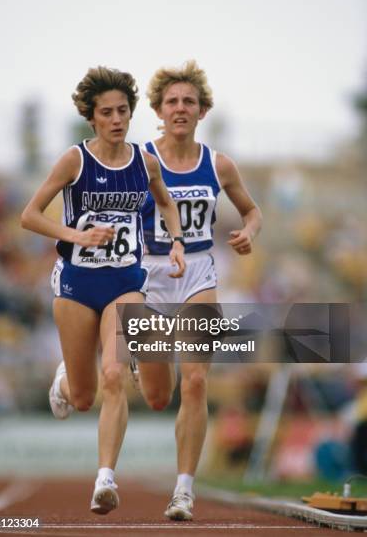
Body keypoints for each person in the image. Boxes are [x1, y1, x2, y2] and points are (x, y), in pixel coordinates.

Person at [20, 65, 185, 515]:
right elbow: (29, 215)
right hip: (76, 283)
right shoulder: (75, 160)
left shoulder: (145, 163)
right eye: (107, 113)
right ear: (91, 118)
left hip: (125, 283)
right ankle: (65, 378)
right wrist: (76, 236)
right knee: (83, 396)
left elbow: (167, 203)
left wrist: (174, 241)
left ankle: (105, 479)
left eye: (123, 111)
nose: (117, 120)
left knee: (115, 375)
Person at [138, 60, 262, 521]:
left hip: (198, 273)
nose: (180, 108)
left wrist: (250, 230)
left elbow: (253, 211)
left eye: (189, 101)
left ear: (203, 110)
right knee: (156, 395)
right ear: (157, 109)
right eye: (172, 101)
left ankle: (184, 490)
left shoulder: (218, 164)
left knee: (195, 380)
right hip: (147, 275)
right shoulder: (141, 160)